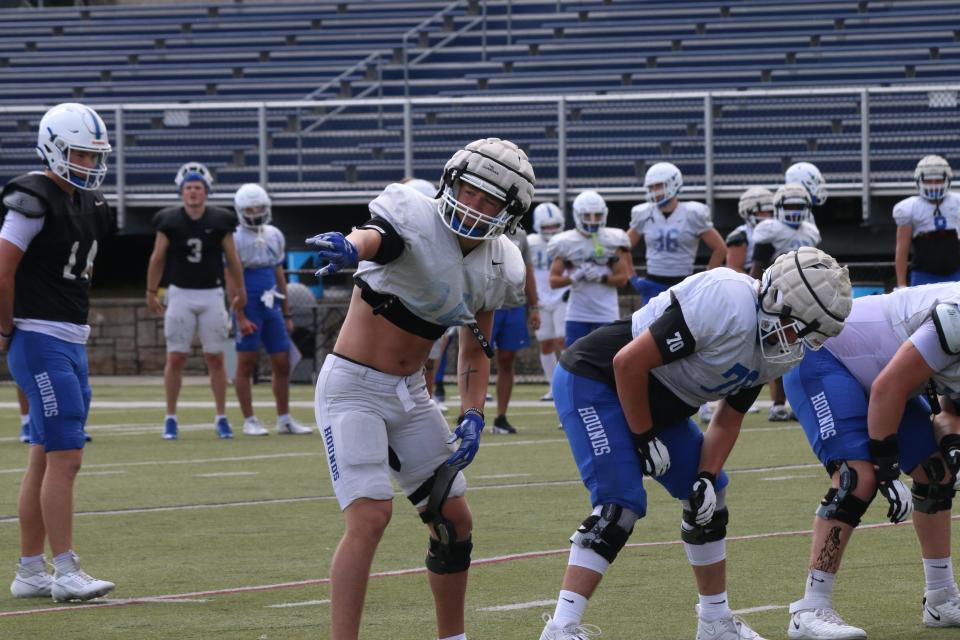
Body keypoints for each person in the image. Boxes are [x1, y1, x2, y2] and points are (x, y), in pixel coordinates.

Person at [539, 247, 852, 640]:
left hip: (660, 403)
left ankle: (715, 621)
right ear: (775, 299)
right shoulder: (727, 301)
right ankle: (561, 627)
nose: (796, 341)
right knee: (620, 505)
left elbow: (729, 416)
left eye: (810, 335)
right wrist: (643, 435)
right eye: (797, 327)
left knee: (709, 499)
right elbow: (627, 363)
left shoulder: (781, 351)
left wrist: (706, 473)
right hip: (598, 380)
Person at [308, 138, 534, 640]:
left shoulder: (500, 264)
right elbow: (377, 238)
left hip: (410, 393)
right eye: (469, 192)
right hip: (353, 387)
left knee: (454, 520)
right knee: (370, 517)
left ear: (509, 212)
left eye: (489, 201)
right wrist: (350, 247)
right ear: (452, 182)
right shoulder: (413, 214)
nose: (473, 206)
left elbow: (476, 348)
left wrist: (474, 412)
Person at [783, 282, 960, 638]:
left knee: (936, 473)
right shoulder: (955, 318)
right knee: (857, 477)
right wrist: (886, 469)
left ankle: (941, 597)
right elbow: (886, 387)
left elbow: (949, 416)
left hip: (888, 376)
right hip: (826, 356)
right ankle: (810, 607)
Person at [2, 102, 116, 602]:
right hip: (39, 336)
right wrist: (5, 328)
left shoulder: (91, 204)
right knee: (65, 455)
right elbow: (2, 268)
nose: (89, 165)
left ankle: (30, 570)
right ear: (53, 147)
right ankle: (65, 570)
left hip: (69, 338)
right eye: (80, 155)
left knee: (45, 457)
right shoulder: (31, 198)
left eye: (94, 157)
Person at [145, 162, 250, 440]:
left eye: (198, 188)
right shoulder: (168, 220)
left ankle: (221, 416)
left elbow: (233, 258)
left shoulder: (220, 220)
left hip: (212, 293)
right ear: (181, 191)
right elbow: (157, 257)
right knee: (176, 357)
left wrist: (240, 290)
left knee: (215, 358)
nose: (193, 192)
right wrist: (150, 290)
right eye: (189, 188)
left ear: (206, 191)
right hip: (180, 293)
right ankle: (170, 417)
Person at [627, 162, 727, 425]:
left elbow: (720, 248)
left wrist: (706, 278)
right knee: (645, 342)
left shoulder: (692, 213)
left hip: (684, 285)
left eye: (659, 186)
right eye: (652, 187)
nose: (656, 192)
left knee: (694, 342)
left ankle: (702, 401)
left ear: (673, 183)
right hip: (654, 283)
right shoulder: (644, 214)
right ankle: (651, 398)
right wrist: (633, 278)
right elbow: (623, 246)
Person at [229, 183, 312, 436]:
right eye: (250, 208)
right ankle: (249, 419)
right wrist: (239, 313)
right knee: (245, 362)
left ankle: (284, 417)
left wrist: (286, 312)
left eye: (259, 207)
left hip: (271, 301)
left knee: (282, 360)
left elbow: (279, 273)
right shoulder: (234, 237)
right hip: (247, 299)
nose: (255, 212)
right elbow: (232, 276)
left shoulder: (275, 234)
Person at [750, 184, 822, 422]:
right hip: (776, 299)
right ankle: (778, 404)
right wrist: (756, 294)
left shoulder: (810, 231)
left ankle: (801, 403)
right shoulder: (770, 230)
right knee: (776, 350)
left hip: (805, 299)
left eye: (798, 206)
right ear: (779, 208)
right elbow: (758, 266)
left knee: (805, 350)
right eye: (789, 206)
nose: (794, 211)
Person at [548, 190, 632, 348]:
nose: (593, 221)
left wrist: (602, 278)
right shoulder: (566, 242)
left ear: (604, 214)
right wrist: (573, 277)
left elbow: (623, 279)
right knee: (573, 359)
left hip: (607, 312)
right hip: (577, 312)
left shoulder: (613, 239)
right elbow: (553, 281)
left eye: (597, 215)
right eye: (587, 216)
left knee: (607, 359)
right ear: (578, 215)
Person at [490, 223, 540, 434]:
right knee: (476, 356)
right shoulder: (483, 228)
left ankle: (501, 416)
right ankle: (469, 411)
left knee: (507, 361)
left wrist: (534, 305)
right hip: (486, 305)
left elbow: (527, 270)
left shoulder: (520, 234)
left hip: (513, 305)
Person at [894, 155, 960, 288]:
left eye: (938, 180)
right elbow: (902, 248)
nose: (934, 185)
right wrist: (901, 284)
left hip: (955, 271)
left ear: (947, 180)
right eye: (929, 181)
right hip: (923, 275)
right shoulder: (909, 208)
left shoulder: (957, 202)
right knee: (921, 309)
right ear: (919, 181)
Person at [529, 202, 568, 401]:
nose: (551, 231)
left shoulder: (567, 240)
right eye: (546, 227)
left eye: (554, 226)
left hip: (562, 296)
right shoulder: (531, 242)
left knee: (564, 341)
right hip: (541, 299)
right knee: (545, 344)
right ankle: (554, 386)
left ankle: (569, 384)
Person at [725, 187, 775, 275]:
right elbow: (734, 269)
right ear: (747, 213)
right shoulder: (741, 235)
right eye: (761, 211)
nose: (767, 215)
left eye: (770, 211)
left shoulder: (778, 229)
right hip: (752, 279)